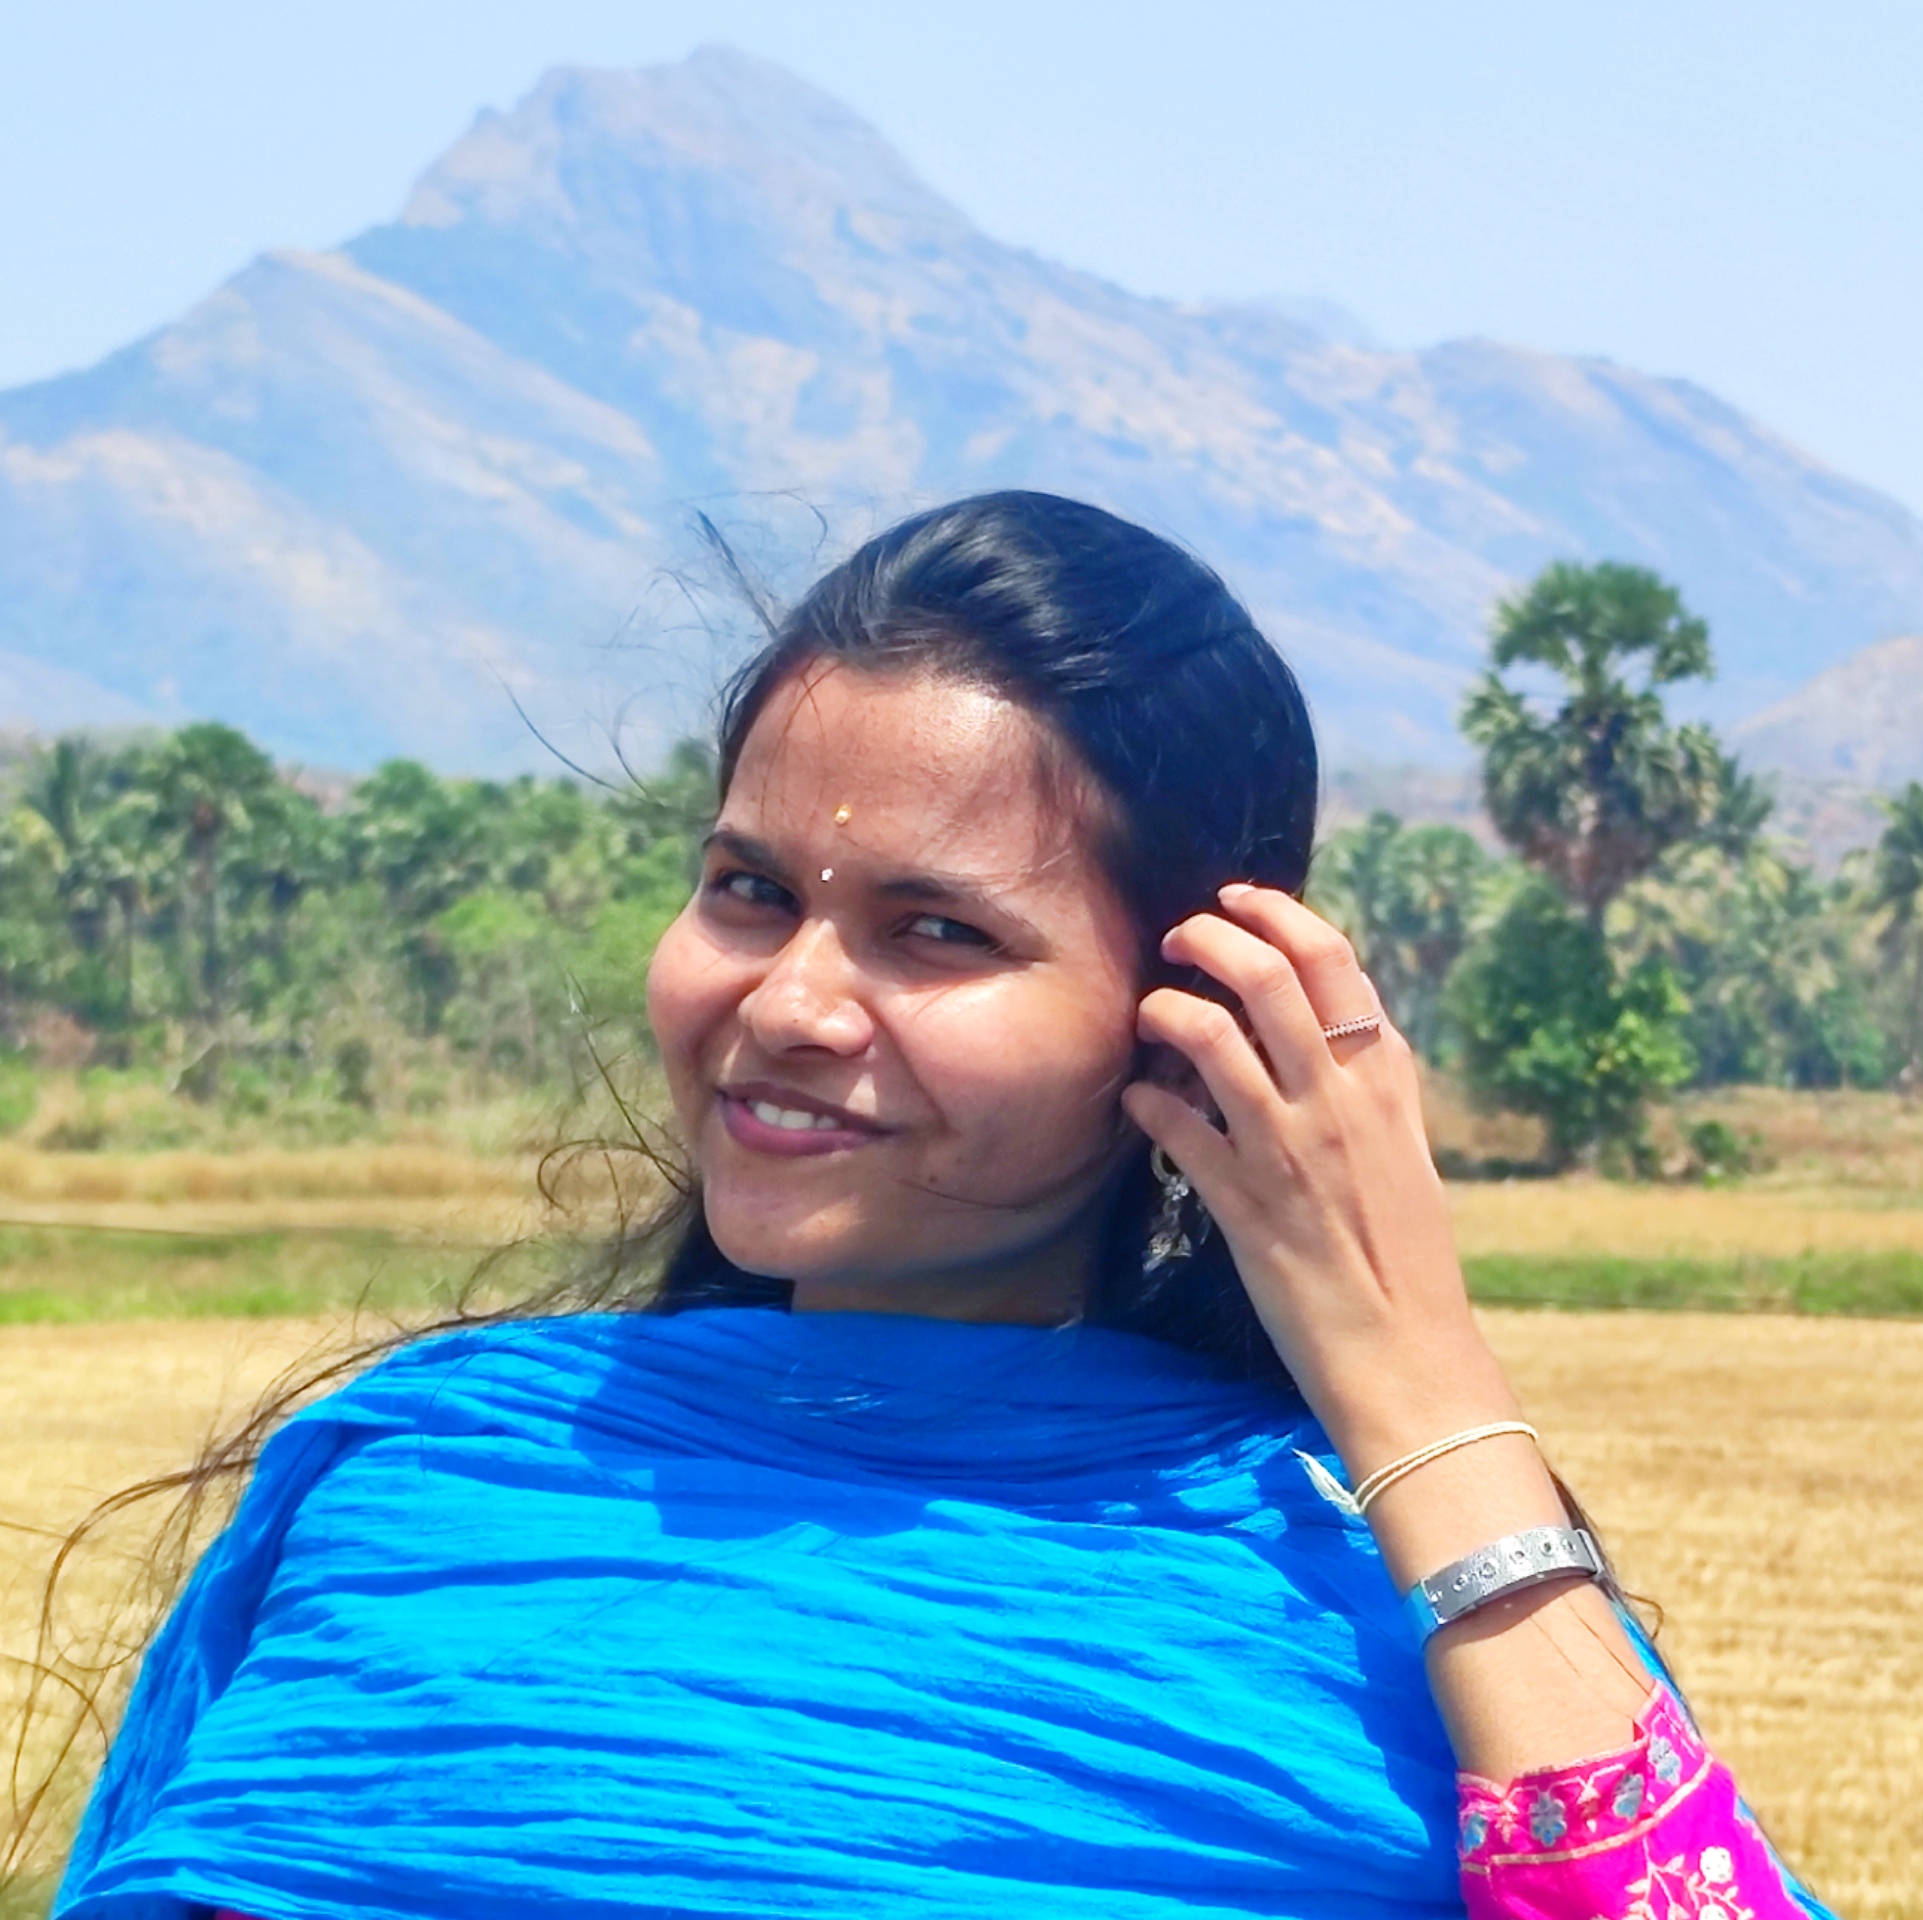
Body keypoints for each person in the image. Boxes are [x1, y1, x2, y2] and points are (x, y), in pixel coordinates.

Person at [53, 493, 1833, 1919]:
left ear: (1187, 1016)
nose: (789, 1002)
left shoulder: (1392, 1629)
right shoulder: (413, 1489)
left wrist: (1422, 1390)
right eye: (749, 890)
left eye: (935, 931)